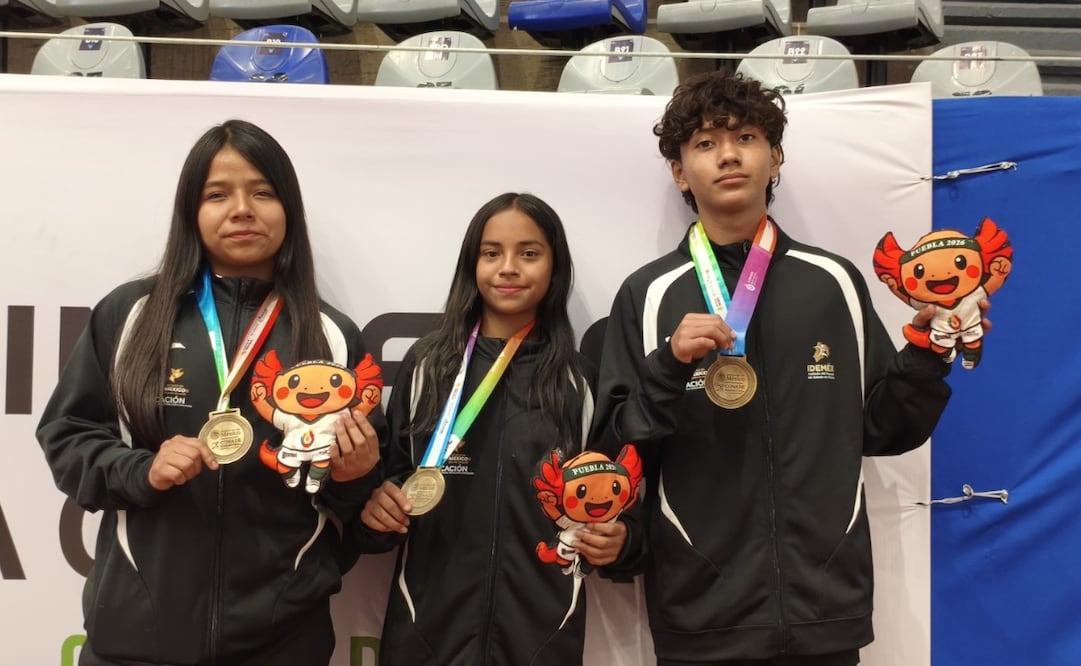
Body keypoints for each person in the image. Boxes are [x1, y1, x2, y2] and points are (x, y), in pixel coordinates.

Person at [591, 71, 970, 665]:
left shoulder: (834, 282)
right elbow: (616, 449)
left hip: (824, 610)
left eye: (745, 136)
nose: (728, 155)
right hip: (701, 611)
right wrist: (668, 364)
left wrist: (925, 354)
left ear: (775, 158)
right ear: (678, 170)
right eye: (705, 144)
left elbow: (883, 430)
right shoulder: (649, 294)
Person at [36, 119, 384, 666]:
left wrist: (355, 475)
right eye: (217, 194)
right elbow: (67, 436)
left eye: (262, 192)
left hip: (283, 639)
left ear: (288, 208)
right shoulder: (131, 314)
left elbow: (357, 499)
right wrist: (140, 470)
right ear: (191, 213)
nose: (241, 209)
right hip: (137, 636)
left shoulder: (334, 336)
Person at [356, 192, 637, 665]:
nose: (509, 267)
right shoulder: (427, 366)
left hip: (543, 635)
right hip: (425, 630)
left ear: (555, 268)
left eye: (529, 253)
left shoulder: (580, 383)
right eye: (492, 253)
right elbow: (391, 480)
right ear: (472, 264)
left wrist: (623, 539)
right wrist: (378, 506)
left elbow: (616, 499)